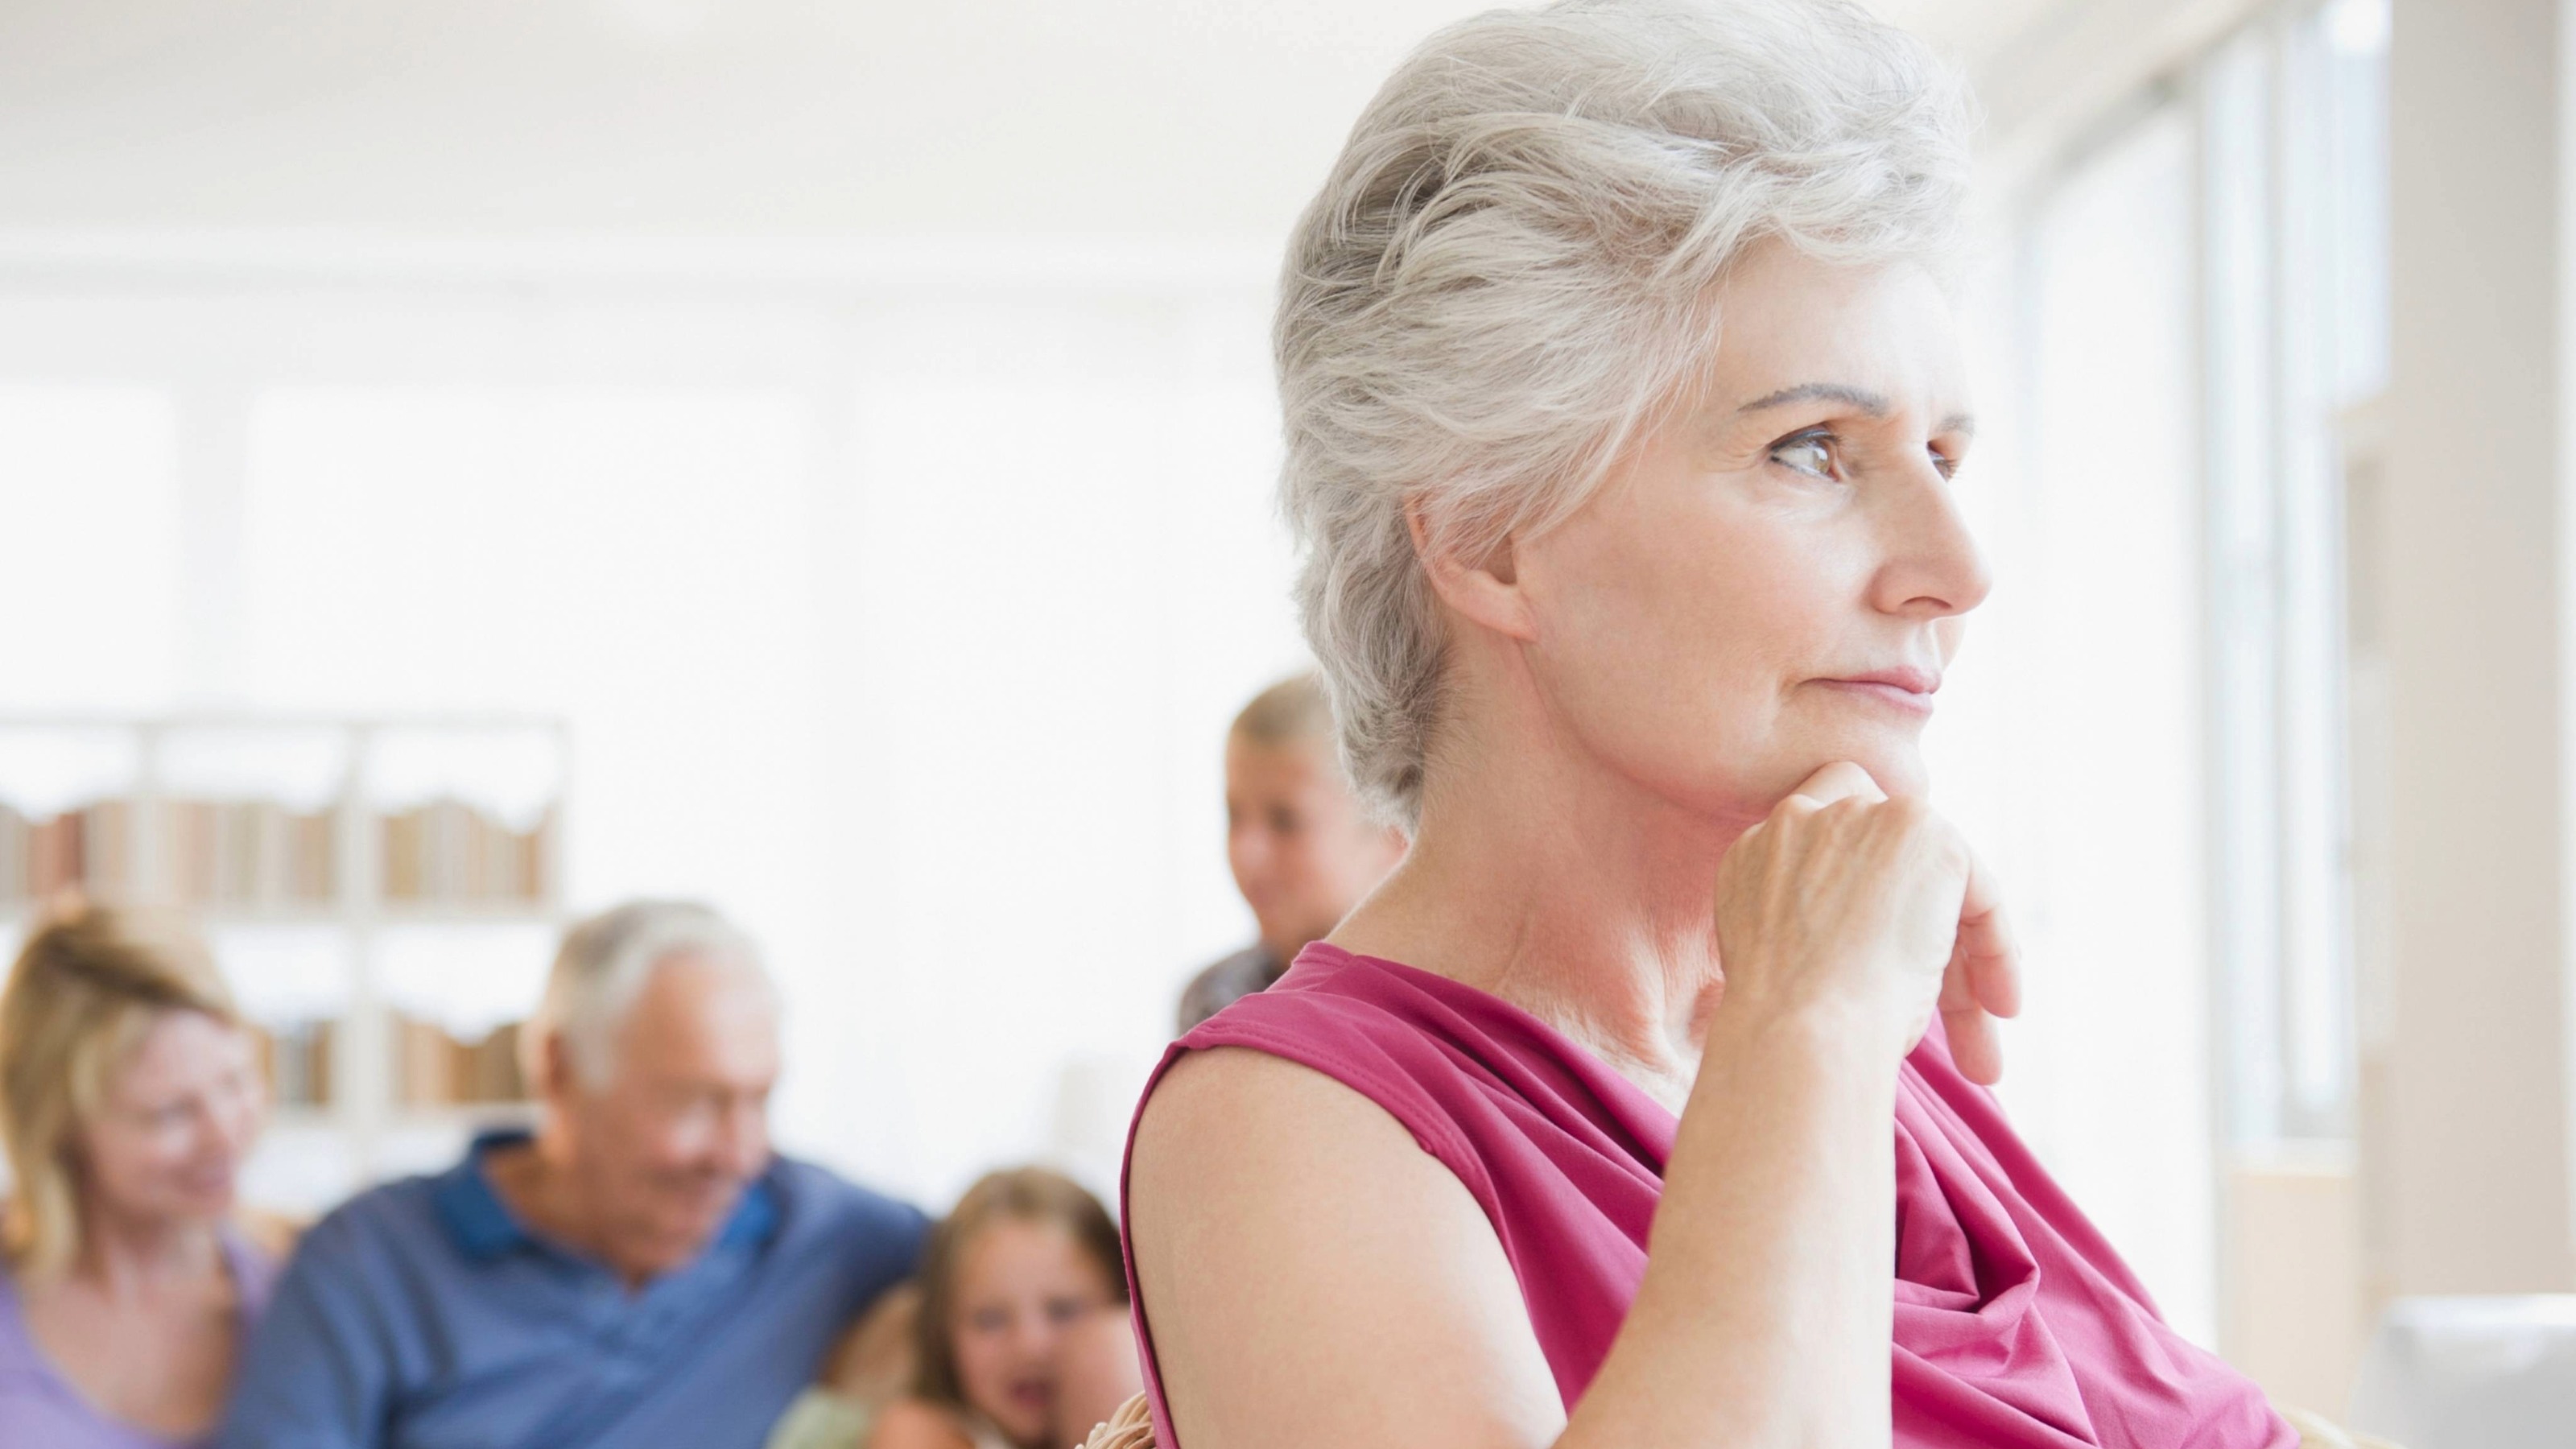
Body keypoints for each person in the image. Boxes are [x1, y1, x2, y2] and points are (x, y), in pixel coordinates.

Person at [1121, 3, 2325, 1447]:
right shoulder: (1290, 1133)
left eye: (1943, 452)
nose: (1957, 566)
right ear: (1496, 542)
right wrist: (1806, 1027)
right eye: (1814, 449)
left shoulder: (1872, 1051)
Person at [218, 900, 929, 1449]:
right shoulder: (371, 1263)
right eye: (695, 1103)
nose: (739, 1153)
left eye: (758, 1100)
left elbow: (1021, 1259)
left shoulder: (825, 1233)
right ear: (558, 1070)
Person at [0, 903, 284, 1449]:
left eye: (236, 1082)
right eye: (170, 1113)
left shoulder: (303, 1287)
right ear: (60, 1124)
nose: (225, 1137)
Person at [1174, 673, 1406, 1032]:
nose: (1246, 852)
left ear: (1394, 834)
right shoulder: (1218, 999)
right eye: (1234, 815)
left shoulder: (1426, 1008)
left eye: (1286, 821)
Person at [865, 1167, 1140, 1449]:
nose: (1031, 1346)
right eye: (990, 1320)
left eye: (1063, 1311)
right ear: (943, 1333)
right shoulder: (918, 1429)